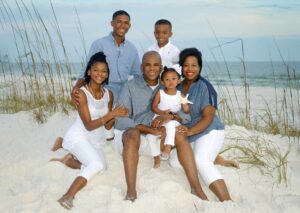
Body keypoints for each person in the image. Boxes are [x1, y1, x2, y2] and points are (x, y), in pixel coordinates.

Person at [114, 51, 208, 201]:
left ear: (161, 67)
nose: (152, 68)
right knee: (132, 133)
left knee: (179, 133)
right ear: (141, 67)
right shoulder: (130, 86)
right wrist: (146, 128)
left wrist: (169, 116)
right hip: (135, 139)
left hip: (162, 139)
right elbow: (119, 119)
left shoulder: (170, 84)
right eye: (148, 65)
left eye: (156, 65)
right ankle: (131, 191)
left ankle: (196, 188)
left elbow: (186, 115)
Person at [54, 52, 128, 209]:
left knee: (102, 168)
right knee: (95, 164)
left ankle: (70, 160)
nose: (99, 74)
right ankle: (67, 196)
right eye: (96, 69)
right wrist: (112, 114)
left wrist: (116, 117)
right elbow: (88, 124)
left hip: (96, 140)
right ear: (88, 71)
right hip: (80, 136)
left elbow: (107, 125)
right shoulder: (81, 93)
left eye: (104, 71)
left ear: (107, 74)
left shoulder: (109, 94)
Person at [169, 47, 232, 201]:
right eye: (186, 65)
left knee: (200, 160)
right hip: (190, 133)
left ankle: (228, 201)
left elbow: (208, 117)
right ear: (181, 67)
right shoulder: (177, 87)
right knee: (175, 163)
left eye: (194, 65)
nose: (189, 69)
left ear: (200, 67)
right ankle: (215, 157)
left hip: (209, 130)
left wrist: (189, 132)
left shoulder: (205, 87)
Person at [71, 10, 140, 140]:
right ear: (112, 23)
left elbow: (137, 75)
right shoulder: (99, 44)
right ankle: (108, 134)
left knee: (129, 113)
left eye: (126, 23)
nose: (122, 26)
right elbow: (87, 69)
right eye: (119, 22)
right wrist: (75, 88)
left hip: (125, 88)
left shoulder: (132, 48)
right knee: (111, 116)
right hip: (106, 87)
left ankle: (118, 135)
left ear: (129, 26)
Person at [150, 67, 191, 167]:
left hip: (173, 119)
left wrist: (185, 104)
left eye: (173, 79)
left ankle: (168, 146)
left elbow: (186, 110)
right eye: (167, 79)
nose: (171, 81)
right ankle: (156, 155)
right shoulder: (160, 93)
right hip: (160, 116)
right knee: (152, 135)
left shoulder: (180, 95)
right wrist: (162, 113)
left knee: (171, 125)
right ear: (162, 82)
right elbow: (154, 107)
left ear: (178, 80)